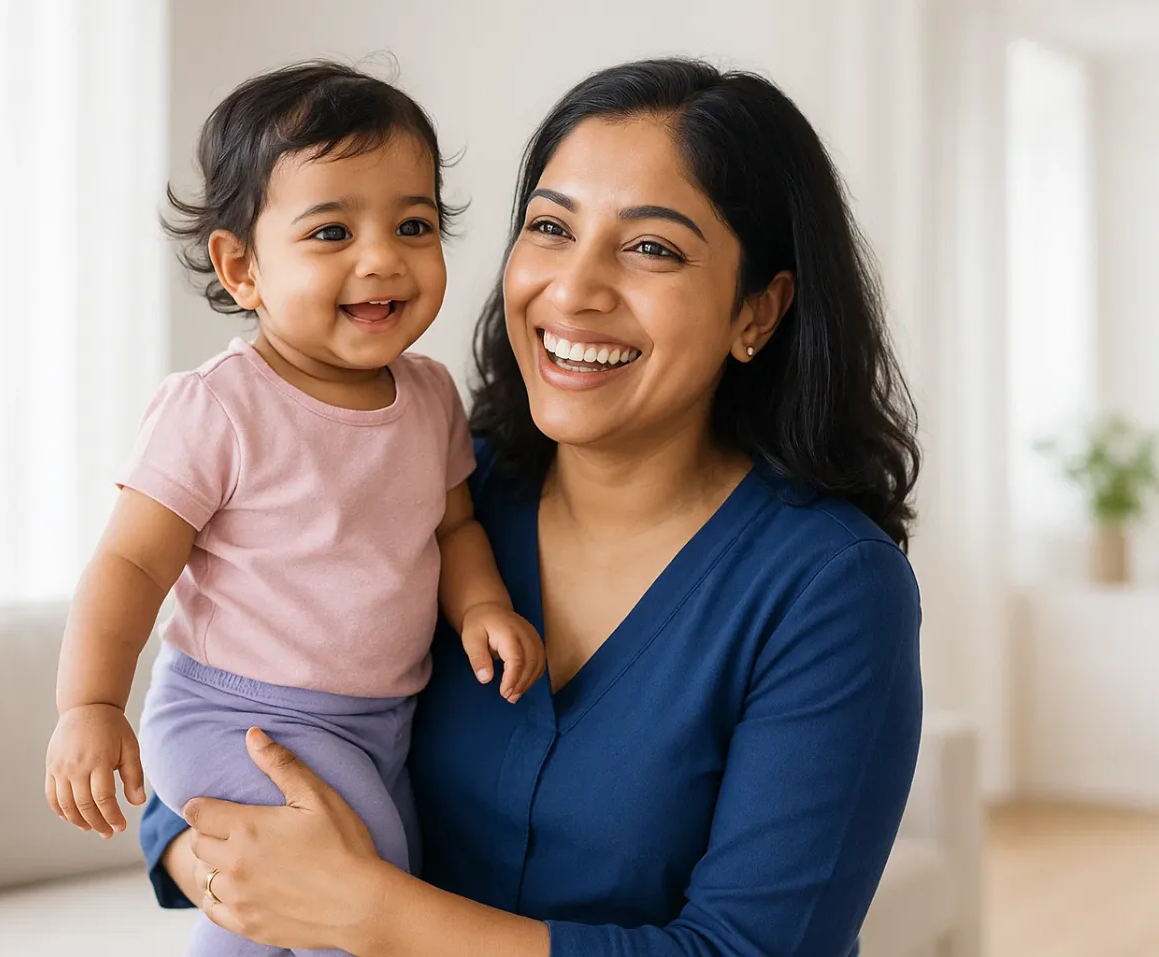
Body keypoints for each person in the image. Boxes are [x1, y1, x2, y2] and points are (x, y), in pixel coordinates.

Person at [138, 57, 926, 957]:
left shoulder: (832, 588)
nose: (575, 290)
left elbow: (750, 948)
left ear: (758, 309)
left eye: (651, 247)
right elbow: (201, 761)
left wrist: (369, 913)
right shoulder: (427, 491)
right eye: (550, 228)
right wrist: (250, 876)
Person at [43, 61, 545, 957]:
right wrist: (89, 702)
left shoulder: (430, 397)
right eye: (331, 230)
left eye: (413, 223)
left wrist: (481, 606)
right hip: (232, 714)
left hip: (376, 721)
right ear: (243, 267)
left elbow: (454, 527)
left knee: (291, 909)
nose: (382, 255)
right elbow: (128, 564)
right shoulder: (220, 407)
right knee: (362, 875)